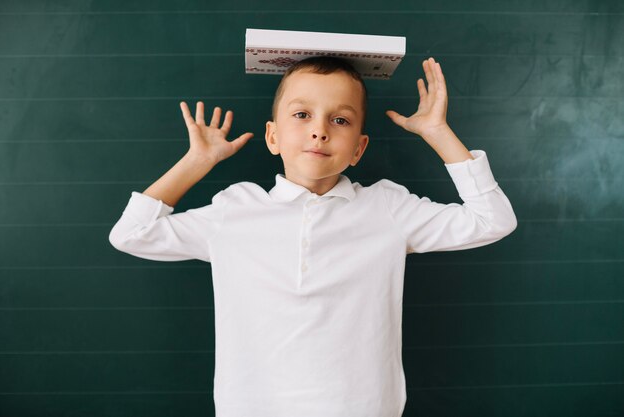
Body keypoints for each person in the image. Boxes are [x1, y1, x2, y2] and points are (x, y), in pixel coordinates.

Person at [109, 56, 517, 417]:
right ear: (273, 136)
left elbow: (492, 220)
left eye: (339, 120)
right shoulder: (235, 211)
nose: (319, 130)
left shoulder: (387, 209)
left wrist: (437, 133)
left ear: (358, 149)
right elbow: (132, 234)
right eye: (302, 115)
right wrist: (197, 162)